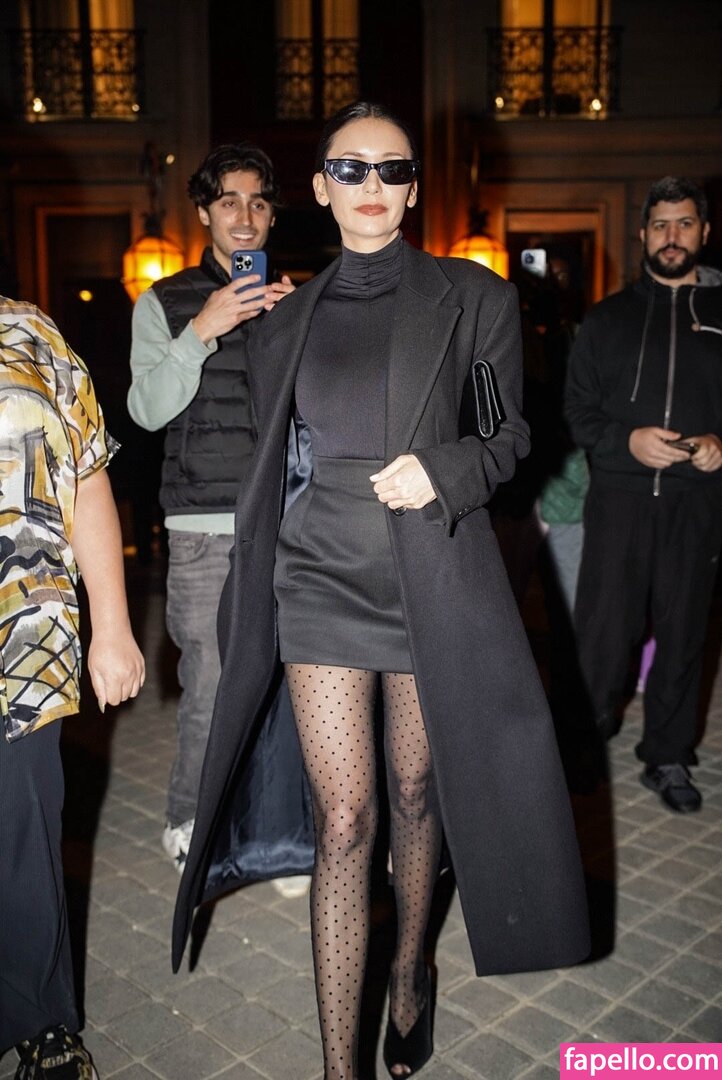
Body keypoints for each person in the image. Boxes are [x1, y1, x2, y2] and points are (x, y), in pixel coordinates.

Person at [173, 102, 590, 1080]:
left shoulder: (471, 295)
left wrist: (441, 468)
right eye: (350, 169)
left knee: (412, 791)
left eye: (391, 170)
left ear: (412, 187)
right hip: (319, 577)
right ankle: (338, 1069)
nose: (371, 186)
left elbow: (509, 437)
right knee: (345, 819)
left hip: (426, 576)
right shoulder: (284, 320)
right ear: (320, 189)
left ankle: (407, 972)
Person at [128, 144, 313, 897]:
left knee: (289, 681)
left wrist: (304, 331)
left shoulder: (295, 299)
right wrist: (200, 331)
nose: (245, 216)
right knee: (209, 682)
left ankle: (276, 834)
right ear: (204, 211)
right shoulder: (166, 302)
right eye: (229, 201)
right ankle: (190, 821)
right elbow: (146, 410)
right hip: (204, 527)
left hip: (288, 520)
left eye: (259, 202)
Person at [0, 298, 145, 1078]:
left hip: (22, 629)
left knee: (21, 826)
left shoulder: (30, 332)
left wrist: (113, 626)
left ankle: (40, 1020)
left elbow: (87, 478)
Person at [566, 176, 722, 813]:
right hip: (620, 503)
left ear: (704, 232)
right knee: (603, 633)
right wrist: (626, 442)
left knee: (684, 633)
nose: (671, 236)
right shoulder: (607, 319)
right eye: (660, 225)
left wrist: (719, 442)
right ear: (643, 234)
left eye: (684, 224)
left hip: (697, 504)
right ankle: (582, 746)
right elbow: (576, 412)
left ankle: (668, 754)